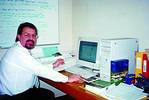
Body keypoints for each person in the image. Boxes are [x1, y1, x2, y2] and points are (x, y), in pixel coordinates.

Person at [0, 22, 80, 100]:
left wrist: (53, 65)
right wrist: (67, 79)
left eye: (34, 35)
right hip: (13, 96)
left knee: (47, 94)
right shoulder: (18, 52)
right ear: (19, 36)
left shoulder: (19, 49)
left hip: (17, 92)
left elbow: (34, 67)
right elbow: (40, 70)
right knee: (48, 95)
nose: (31, 38)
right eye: (27, 35)